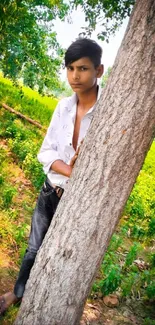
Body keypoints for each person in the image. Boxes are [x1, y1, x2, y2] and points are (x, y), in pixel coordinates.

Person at [0, 38, 103, 315]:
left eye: (82, 68)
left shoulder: (107, 114)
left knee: (62, 254)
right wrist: (70, 169)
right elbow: (45, 153)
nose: (74, 76)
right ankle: (17, 293)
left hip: (76, 202)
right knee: (33, 248)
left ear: (99, 71)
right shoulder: (63, 107)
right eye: (70, 68)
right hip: (51, 190)